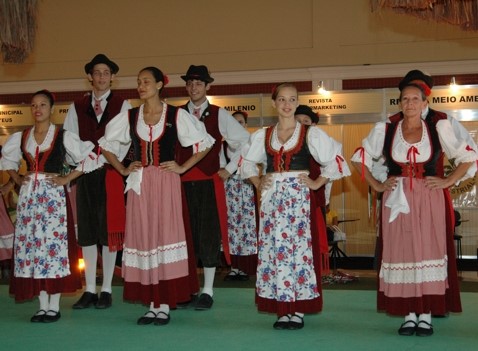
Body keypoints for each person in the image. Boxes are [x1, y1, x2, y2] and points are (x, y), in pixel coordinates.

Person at [351, 82, 477, 336]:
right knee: (402, 252)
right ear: (400, 103)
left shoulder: (439, 128)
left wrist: (448, 181)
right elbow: (359, 158)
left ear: (424, 103)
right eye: (405, 99)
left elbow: (469, 156)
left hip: (429, 196)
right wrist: (377, 184)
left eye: (415, 99)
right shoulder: (386, 129)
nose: (409, 104)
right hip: (397, 198)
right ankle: (409, 315)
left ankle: (427, 315)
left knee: (428, 250)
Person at [99, 66, 214, 325]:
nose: (142, 85)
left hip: (166, 181)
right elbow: (105, 145)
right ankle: (152, 303)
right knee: (144, 237)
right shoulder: (130, 116)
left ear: (160, 85)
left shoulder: (175, 114)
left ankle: (164, 305)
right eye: (139, 81)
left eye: (147, 81)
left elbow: (205, 142)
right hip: (141, 183)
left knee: (164, 235)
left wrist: (183, 167)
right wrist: (122, 168)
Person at [240, 82, 350, 330]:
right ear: (274, 103)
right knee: (274, 251)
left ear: (296, 102)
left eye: (292, 100)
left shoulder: (309, 133)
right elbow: (246, 163)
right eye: (282, 100)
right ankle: (282, 308)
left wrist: (316, 182)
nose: (287, 104)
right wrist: (259, 181)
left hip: (298, 200)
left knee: (298, 251)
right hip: (272, 201)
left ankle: (297, 309)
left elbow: (336, 160)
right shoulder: (264, 134)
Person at [0, 90, 97, 322]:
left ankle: (54, 305)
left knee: (53, 249)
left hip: (53, 198)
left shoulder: (62, 135)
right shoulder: (23, 136)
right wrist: (17, 178)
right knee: (33, 249)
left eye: (43, 105)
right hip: (29, 199)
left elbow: (90, 157)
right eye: (34, 105)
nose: (38, 109)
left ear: (51, 108)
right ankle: (42, 305)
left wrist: (66, 178)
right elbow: (7, 160)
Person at [176, 65, 250, 310]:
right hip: (181, 182)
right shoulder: (176, 114)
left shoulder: (220, 115)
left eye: (199, 83)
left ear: (208, 86)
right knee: (184, 236)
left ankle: (207, 290)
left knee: (208, 235)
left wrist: (229, 170)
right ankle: (187, 288)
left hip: (209, 181)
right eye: (190, 83)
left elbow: (244, 142)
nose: (194, 87)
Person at [63, 54, 132, 310]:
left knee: (108, 232)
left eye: (105, 72)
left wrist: (102, 155)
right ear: (90, 77)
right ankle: (89, 288)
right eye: (97, 72)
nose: (101, 77)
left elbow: (124, 140)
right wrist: (87, 154)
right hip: (84, 174)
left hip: (110, 173)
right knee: (89, 232)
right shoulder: (76, 106)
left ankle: (106, 289)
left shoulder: (123, 105)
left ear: (112, 77)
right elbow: (68, 137)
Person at [222, 111, 257, 281]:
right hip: (227, 190)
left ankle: (244, 267)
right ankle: (233, 267)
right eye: (233, 123)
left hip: (245, 189)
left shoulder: (251, 143)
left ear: (245, 125)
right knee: (230, 229)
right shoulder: (222, 146)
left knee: (246, 228)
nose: (237, 125)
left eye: (240, 122)